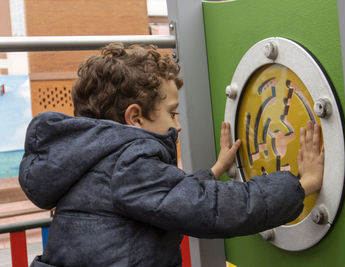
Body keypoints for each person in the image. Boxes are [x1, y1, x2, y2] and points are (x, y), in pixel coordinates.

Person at [19, 43, 324, 267]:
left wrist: (214, 171)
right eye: (172, 113)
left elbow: (163, 197)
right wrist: (301, 183)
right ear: (135, 118)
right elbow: (212, 209)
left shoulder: (90, 157)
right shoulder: (127, 162)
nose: (177, 125)